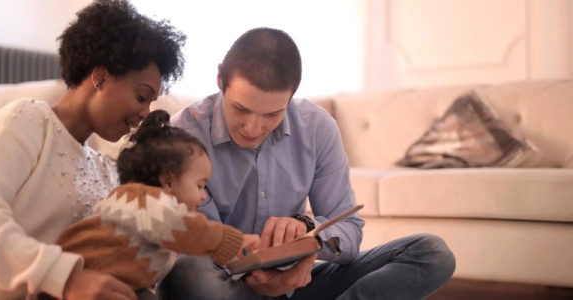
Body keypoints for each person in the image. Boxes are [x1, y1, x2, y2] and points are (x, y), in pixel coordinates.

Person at [157, 27, 457, 299]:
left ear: (292, 97)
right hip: (227, 286)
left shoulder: (316, 128)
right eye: (241, 108)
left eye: (272, 114)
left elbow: (349, 233)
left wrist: (309, 236)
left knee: (431, 253)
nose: (253, 128)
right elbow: (193, 243)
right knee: (188, 275)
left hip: (296, 286)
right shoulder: (182, 134)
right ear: (221, 78)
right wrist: (252, 279)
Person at [0, 0, 187, 299]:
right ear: (99, 77)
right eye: (141, 96)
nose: (145, 113)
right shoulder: (28, 121)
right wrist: (67, 278)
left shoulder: (104, 169)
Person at [37, 110, 260, 300]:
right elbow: (188, 229)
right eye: (200, 186)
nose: (202, 197)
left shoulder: (128, 200)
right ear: (168, 180)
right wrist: (232, 240)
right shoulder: (147, 202)